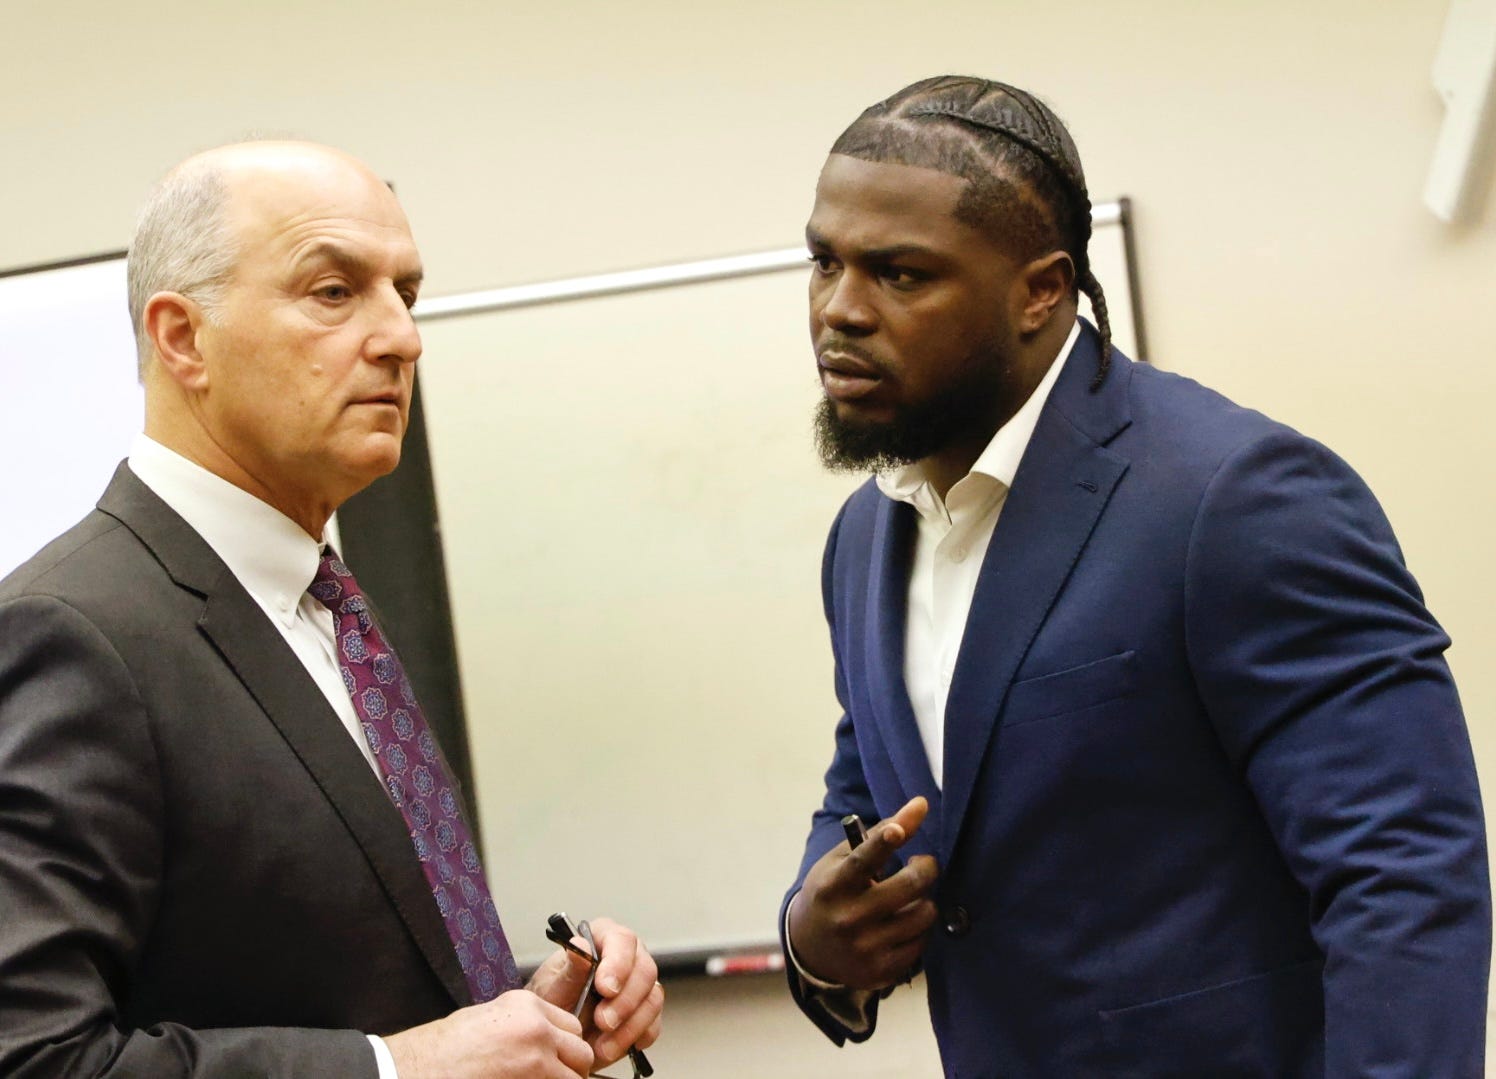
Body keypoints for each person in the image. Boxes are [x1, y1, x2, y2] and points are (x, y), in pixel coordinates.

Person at [780, 75, 1489, 1077]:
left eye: (898, 273)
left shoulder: (1232, 497)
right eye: (823, 261)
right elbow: (867, 789)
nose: (839, 310)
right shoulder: (865, 533)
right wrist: (813, 934)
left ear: (1039, 289)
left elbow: (1402, 880)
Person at [0, 141, 662, 1079]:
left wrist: (525, 1017)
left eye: (408, 293)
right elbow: (30, 1056)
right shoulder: (67, 635)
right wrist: (391, 1071)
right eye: (333, 292)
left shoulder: (328, 608)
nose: (402, 338)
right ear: (182, 338)